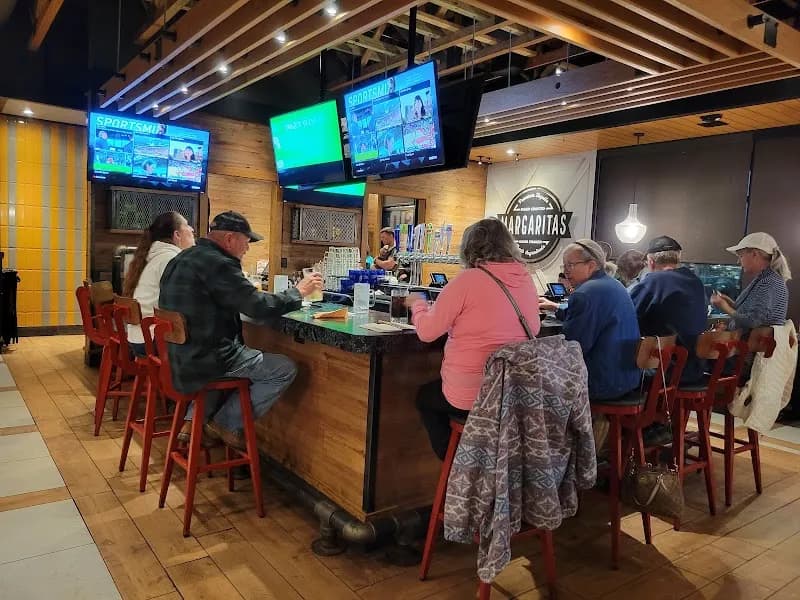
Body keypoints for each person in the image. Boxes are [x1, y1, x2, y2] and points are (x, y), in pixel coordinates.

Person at [159, 211, 323, 449]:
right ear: (230, 239)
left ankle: (194, 422)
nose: (247, 248)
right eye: (246, 241)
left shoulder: (182, 258)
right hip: (205, 361)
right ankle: (225, 424)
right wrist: (298, 292)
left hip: (179, 359)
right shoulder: (219, 263)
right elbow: (257, 307)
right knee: (283, 368)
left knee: (229, 365)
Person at [407, 218, 541, 459]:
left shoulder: (467, 280)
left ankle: (461, 466)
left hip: (471, 394)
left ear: (469, 247)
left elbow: (427, 332)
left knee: (425, 398)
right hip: (510, 393)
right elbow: (535, 327)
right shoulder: (525, 278)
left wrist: (418, 305)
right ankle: (487, 468)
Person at [540, 239, 641, 402]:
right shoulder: (615, 285)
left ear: (591, 265)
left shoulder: (584, 294)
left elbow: (573, 348)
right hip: (627, 378)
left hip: (600, 383)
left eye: (570, 265)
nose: (565, 272)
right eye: (564, 266)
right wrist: (556, 308)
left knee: (531, 376)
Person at [629, 236, 707, 384]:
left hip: (663, 369)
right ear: (678, 260)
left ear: (650, 262)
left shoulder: (655, 281)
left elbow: (627, 313)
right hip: (694, 367)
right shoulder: (695, 281)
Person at [123, 212, 196, 357]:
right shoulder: (170, 259)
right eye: (187, 225)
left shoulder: (156, 256)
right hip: (152, 341)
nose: (192, 229)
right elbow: (189, 302)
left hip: (140, 337)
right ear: (177, 235)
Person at [711, 232, 790, 333]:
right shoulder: (763, 279)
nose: (738, 261)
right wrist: (730, 303)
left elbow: (754, 320)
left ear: (754, 254)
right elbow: (752, 312)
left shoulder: (770, 282)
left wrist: (725, 308)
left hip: (757, 347)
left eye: (741, 256)